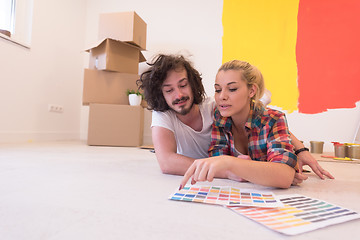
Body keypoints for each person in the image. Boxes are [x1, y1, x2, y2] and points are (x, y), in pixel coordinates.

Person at [137, 54, 333, 185]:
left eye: (183, 85)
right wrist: (230, 168)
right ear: (160, 94)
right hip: (221, 174)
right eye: (169, 90)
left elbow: (268, 118)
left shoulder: (217, 109)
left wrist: (300, 149)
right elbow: (167, 162)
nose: (178, 94)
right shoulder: (220, 118)